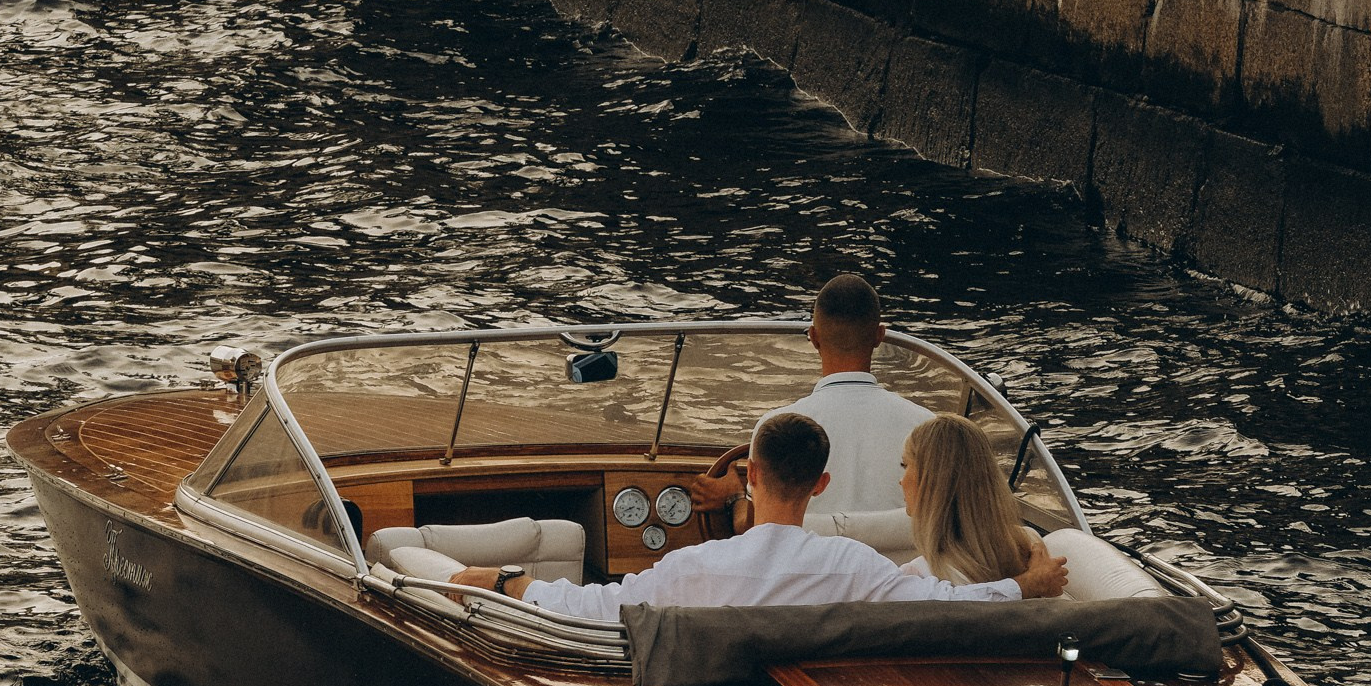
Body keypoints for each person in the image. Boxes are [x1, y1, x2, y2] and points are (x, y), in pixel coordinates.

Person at [449, 413, 1067, 622]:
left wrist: (508, 582)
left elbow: (597, 607)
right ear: (820, 485)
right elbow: (949, 606)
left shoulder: (695, 567)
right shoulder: (857, 568)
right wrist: (1025, 586)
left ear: (750, 476)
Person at [690, 273, 932, 519]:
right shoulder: (926, 429)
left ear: (814, 338)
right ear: (879, 336)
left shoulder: (775, 428)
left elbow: (758, 526)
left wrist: (734, 498)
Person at [896, 414, 1034, 587]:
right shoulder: (1032, 550)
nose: (901, 481)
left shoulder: (916, 576)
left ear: (933, 482)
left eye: (905, 465)